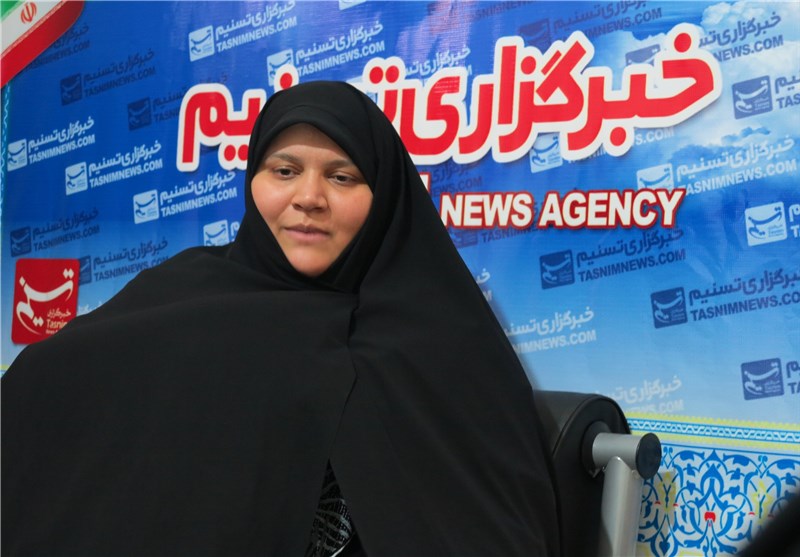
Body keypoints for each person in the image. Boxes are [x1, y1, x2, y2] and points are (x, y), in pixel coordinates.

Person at [2, 81, 560, 556]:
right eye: (285, 170)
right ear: (253, 180)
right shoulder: (186, 291)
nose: (308, 197)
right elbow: (50, 382)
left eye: (342, 177)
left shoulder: (443, 340)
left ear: (384, 193)